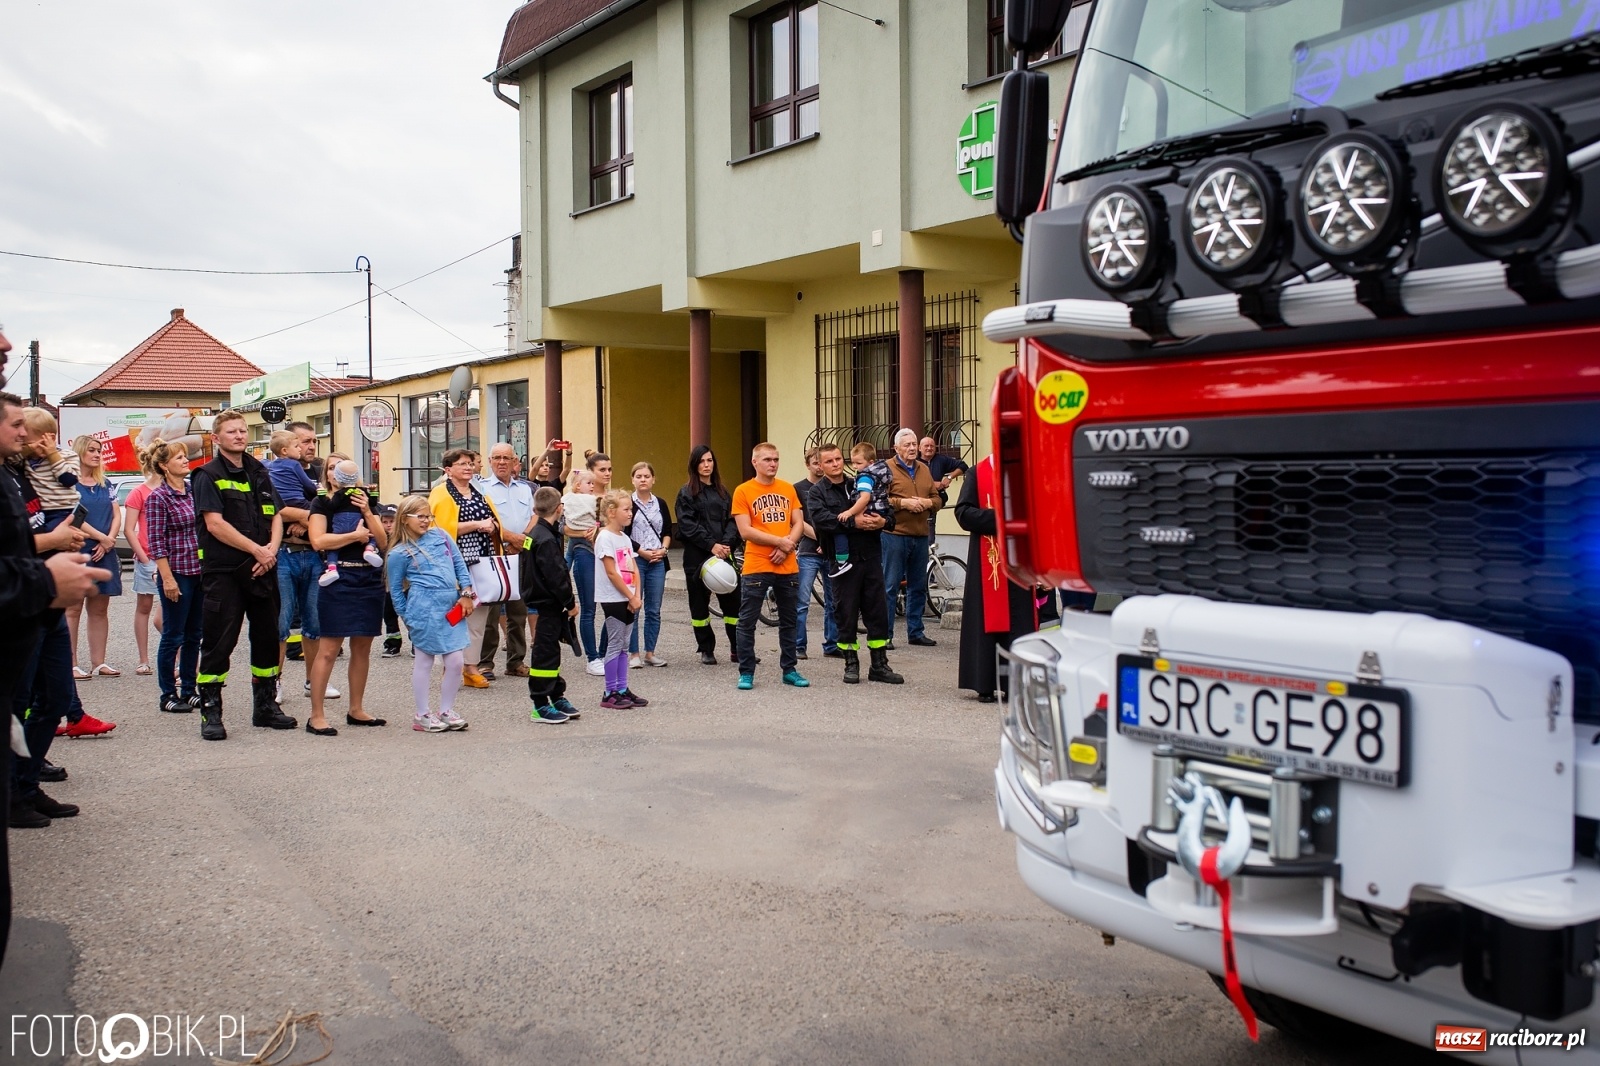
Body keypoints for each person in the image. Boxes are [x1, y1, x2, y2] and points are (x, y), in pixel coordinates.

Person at [2, 387, 110, 838]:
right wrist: (53, 543)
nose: (24, 433)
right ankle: (12, 794)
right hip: (26, 600)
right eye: (15, 426)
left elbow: (61, 483)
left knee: (55, 698)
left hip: (44, 602)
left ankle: (28, 785)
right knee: (22, 701)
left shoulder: (19, 470)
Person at [191, 409, 297, 741]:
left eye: (242, 431)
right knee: (219, 642)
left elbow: (276, 515)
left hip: (263, 568)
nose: (239, 435)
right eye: (231, 431)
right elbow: (215, 524)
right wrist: (257, 550)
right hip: (225, 572)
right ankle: (211, 712)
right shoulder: (207, 475)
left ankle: (265, 708)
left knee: (267, 638)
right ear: (216, 438)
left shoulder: (259, 471)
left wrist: (272, 551)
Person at [954, 455, 1071, 702]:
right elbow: (963, 513)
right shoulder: (977, 473)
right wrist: (1001, 519)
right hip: (989, 564)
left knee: (1019, 622)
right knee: (986, 623)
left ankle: (1016, 683)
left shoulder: (1025, 475)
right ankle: (984, 684)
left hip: (1019, 565)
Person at [305, 460, 389, 735]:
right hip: (338, 578)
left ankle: (356, 709)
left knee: (363, 647)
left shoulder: (364, 501)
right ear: (327, 475)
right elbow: (318, 541)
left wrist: (367, 509)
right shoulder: (321, 504)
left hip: (368, 578)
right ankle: (316, 715)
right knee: (328, 649)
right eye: (330, 468)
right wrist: (354, 536)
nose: (337, 475)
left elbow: (383, 541)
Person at [808, 443, 902, 685]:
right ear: (820, 465)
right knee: (845, 612)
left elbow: (888, 510)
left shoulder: (860, 480)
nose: (836, 463)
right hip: (842, 562)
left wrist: (883, 522)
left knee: (877, 611)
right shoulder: (818, 492)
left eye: (838, 458)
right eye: (829, 461)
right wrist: (854, 523)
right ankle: (851, 663)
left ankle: (879, 665)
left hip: (870, 556)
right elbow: (822, 521)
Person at [428, 448, 519, 688]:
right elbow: (438, 528)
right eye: (461, 464)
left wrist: (492, 526)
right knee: (454, 613)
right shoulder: (440, 493)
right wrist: (476, 524)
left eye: (470, 463)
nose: (468, 467)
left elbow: (494, 520)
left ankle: (470, 666)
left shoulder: (479, 491)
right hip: (453, 562)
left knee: (478, 616)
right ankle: (450, 665)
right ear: (448, 470)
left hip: (482, 561)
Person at [385, 496, 472, 732]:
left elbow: (459, 564)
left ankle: (446, 709)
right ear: (404, 519)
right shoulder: (399, 553)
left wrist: (466, 592)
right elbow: (395, 591)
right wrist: (408, 618)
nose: (426, 521)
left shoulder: (442, 536)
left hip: (450, 604)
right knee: (424, 661)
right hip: (423, 607)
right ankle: (422, 713)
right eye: (420, 517)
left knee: (455, 661)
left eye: (428, 516)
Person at [730, 443, 808, 691]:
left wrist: (788, 545)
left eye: (775, 459)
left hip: (787, 564)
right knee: (747, 621)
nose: (772, 464)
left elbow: (798, 522)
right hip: (756, 564)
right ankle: (746, 672)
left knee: (789, 620)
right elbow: (745, 530)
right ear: (755, 462)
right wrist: (780, 542)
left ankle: (790, 669)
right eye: (767, 460)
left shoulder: (787, 489)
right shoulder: (743, 491)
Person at [264, 429, 329, 696]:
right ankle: (274, 683)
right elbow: (280, 509)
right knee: (280, 622)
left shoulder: (322, 470)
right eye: (304, 442)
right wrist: (313, 517)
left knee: (314, 623)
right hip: (284, 556)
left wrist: (308, 522)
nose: (310, 447)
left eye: (314, 441)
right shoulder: (275, 471)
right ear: (289, 447)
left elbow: (332, 506)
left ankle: (314, 682)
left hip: (314, 556)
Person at [144, 439, 206, 715]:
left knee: (195, 634)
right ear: (163, 466)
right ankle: (167, 693)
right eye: (179, 458)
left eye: (185, 456)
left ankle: (190, 689)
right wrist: (167, 578)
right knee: (173, 634)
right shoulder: (158, 497)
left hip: (200, 571)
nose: (185, 460)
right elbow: (156, 541)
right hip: (177, 573)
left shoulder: (193, 490)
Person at [472, 442, 535, 680]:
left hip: (520, 555)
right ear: (489, 461)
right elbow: (487, 520)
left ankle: (516, 661)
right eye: (496, 457)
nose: (501, 462)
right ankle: (485, 663)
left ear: (514, 462)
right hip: (495, 555)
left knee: (519, 611)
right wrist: (508, 539)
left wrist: (522, 540)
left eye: (506, 458)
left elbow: (534, 516)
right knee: (491, 612)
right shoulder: (482, 488)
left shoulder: (524, 489)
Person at [675, 445, 741, 665]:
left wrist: (726, 544)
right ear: (694, 465)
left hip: (724, 555)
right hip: (698, 557)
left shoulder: (723, 492)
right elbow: (687, 526)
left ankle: (737, 649)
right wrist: (711, 545)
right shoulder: (686, 493)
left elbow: (734, 521)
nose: (706, 465)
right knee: (699, 605)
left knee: (733, 605)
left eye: (709, 461)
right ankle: (706, 649)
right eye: (702, 461)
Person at [64, 435, 123, 678]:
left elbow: (116, 514)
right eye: (91, 450)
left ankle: (99, 662)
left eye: (99, 450)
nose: (97, 454)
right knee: (73, 609)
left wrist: (108, 541)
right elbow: (74, 516)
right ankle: (70, 663)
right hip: (78, 548)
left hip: (104, 550)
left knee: (100, 609)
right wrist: (101, 537)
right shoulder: (68, 483)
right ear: (79, 452)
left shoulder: (105, 483)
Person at [522, 486, 581, 723]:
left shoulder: (536, 533)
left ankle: (556, 695)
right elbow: (556, 575)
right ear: (559, 509)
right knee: (544, 654)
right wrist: (570, 603)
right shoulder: (545, 539)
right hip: (549, 603)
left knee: (551, 652)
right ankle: (539, 703)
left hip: (543, 601)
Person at [882, 427, 941, 648]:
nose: (912, 448)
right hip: (894, 535)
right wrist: (903, 503)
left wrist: (928, 503)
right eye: (907, 445)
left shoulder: (924, 469)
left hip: (920, 535)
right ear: (896, 448)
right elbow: (879, 499)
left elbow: (937, 498)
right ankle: (885, 635)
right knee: (890, 586)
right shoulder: (886, 468)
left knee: (918, 586)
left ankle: (915, 632)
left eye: (914, 444)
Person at [595, 490, 649, 708]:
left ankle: (622, 687)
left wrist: (636, 595)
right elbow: (611, 572)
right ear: (611, 511)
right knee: (615, 644)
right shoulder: (605, 537)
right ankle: (610, 692)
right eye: (626, 509)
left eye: (631, 509)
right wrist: (629, 595)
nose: (631, 513)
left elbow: (634, 567)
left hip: (628, 598)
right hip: (613, 598)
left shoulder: (625, 538)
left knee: (625, 645)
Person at [624, 461, 671, 668]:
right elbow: (623, 533)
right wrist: (640, 551)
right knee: (634, 606)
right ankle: (633, 654)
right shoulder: (627, 503)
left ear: (653, 479)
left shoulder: (660, 503)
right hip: (636, 560)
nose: (643, 479)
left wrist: (664, 549)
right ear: (632, 480)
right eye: (639, 476)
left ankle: (650, 652)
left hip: (658, 561)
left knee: (654, 609)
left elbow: (668, 531)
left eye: (646, 476)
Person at [793, 448, 839, 661]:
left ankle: (832, 644)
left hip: (830, 552)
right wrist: (820, 540)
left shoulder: (832, 487)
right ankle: (798, 645)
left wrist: (828, 542)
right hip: (809, 551)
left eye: (823, 463)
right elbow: (798, 522)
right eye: (816, 463)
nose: (820, 467)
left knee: (833, 601)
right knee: (802, 601)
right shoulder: (799, 489)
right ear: (808, 465)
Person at [122, 446, 164, 675]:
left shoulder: (175, 489)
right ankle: (143, 658)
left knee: (170, 608)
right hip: (147, 556)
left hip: (170, 556)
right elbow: (130, 529)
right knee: (144, 606)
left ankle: (178, 656)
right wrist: (144, 557)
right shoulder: (138, 492)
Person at [563, 466, 605, 673]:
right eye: (589, 482)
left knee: (614, 608)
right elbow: (566, 526)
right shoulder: (573, 500)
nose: (593, 485)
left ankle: (605, 652)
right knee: (589, 608)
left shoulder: (605, 500)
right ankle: (592, 657)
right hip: (585, 552)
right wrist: (583, 532)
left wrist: (599, 529)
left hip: (605, 554)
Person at [315, 465, 384, 587]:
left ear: (337, 478)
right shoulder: (361, 493)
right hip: (357, 523)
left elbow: (331, 506)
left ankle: (331, 568)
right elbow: (374, 501)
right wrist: (373, 492)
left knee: (333, 548)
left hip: (340, 526)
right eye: (331, 467)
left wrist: (321, 494)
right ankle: (369, 550)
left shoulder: (339, 494)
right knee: (371, 535)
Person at [832, 442, 893, 578]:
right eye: (853, 463)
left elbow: (864, 499)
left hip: (870, 510)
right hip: (880, 510)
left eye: (858, 463)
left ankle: (841, 561)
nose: (854, 467)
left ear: (870, 462)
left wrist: (850, 513)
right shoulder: (880, 474)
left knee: (840, 529)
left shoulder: (865, 477)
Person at [919, 435, 968, 539]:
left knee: (930, 532)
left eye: (932, 446)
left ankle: (930, 552)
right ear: (919, 448)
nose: (929, 448)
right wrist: (933, 484)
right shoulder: (914, 461)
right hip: (917, 500)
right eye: (926, 446)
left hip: (933, 501)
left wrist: (949, 477)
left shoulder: (940, 459)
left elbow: (963, 466)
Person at [376, 504, 405, 657]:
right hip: (386, 582)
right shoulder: (378, 538)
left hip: (404, 582)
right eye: (385, 522)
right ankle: (393, 643)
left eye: (391, 521)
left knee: (408, 612)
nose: (388, 525)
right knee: (388, 613)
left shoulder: (404, 538)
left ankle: (416, 642)